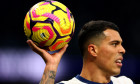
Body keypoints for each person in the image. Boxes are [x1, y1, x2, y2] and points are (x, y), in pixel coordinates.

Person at [27, 20, 134, 84]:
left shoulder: (125, 82)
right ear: (93, 50)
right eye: (114, 44)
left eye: (121, 44)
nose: (122, 50)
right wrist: (51, 65)